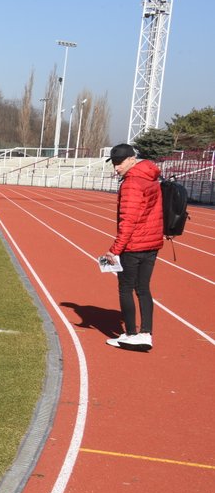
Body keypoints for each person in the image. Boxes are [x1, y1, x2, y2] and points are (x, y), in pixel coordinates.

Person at [102, 143, 164, 350]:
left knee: (126, 289)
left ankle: (130, 334)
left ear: (131, 159)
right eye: (114, 163)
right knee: (144, 289)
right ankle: (146, 333)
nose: (116, 167)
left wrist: (114, 250)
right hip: (152, 244)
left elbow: (128, 221)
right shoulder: (152, 178)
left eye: (119, 163)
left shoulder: (131, 183)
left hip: (134, 245)